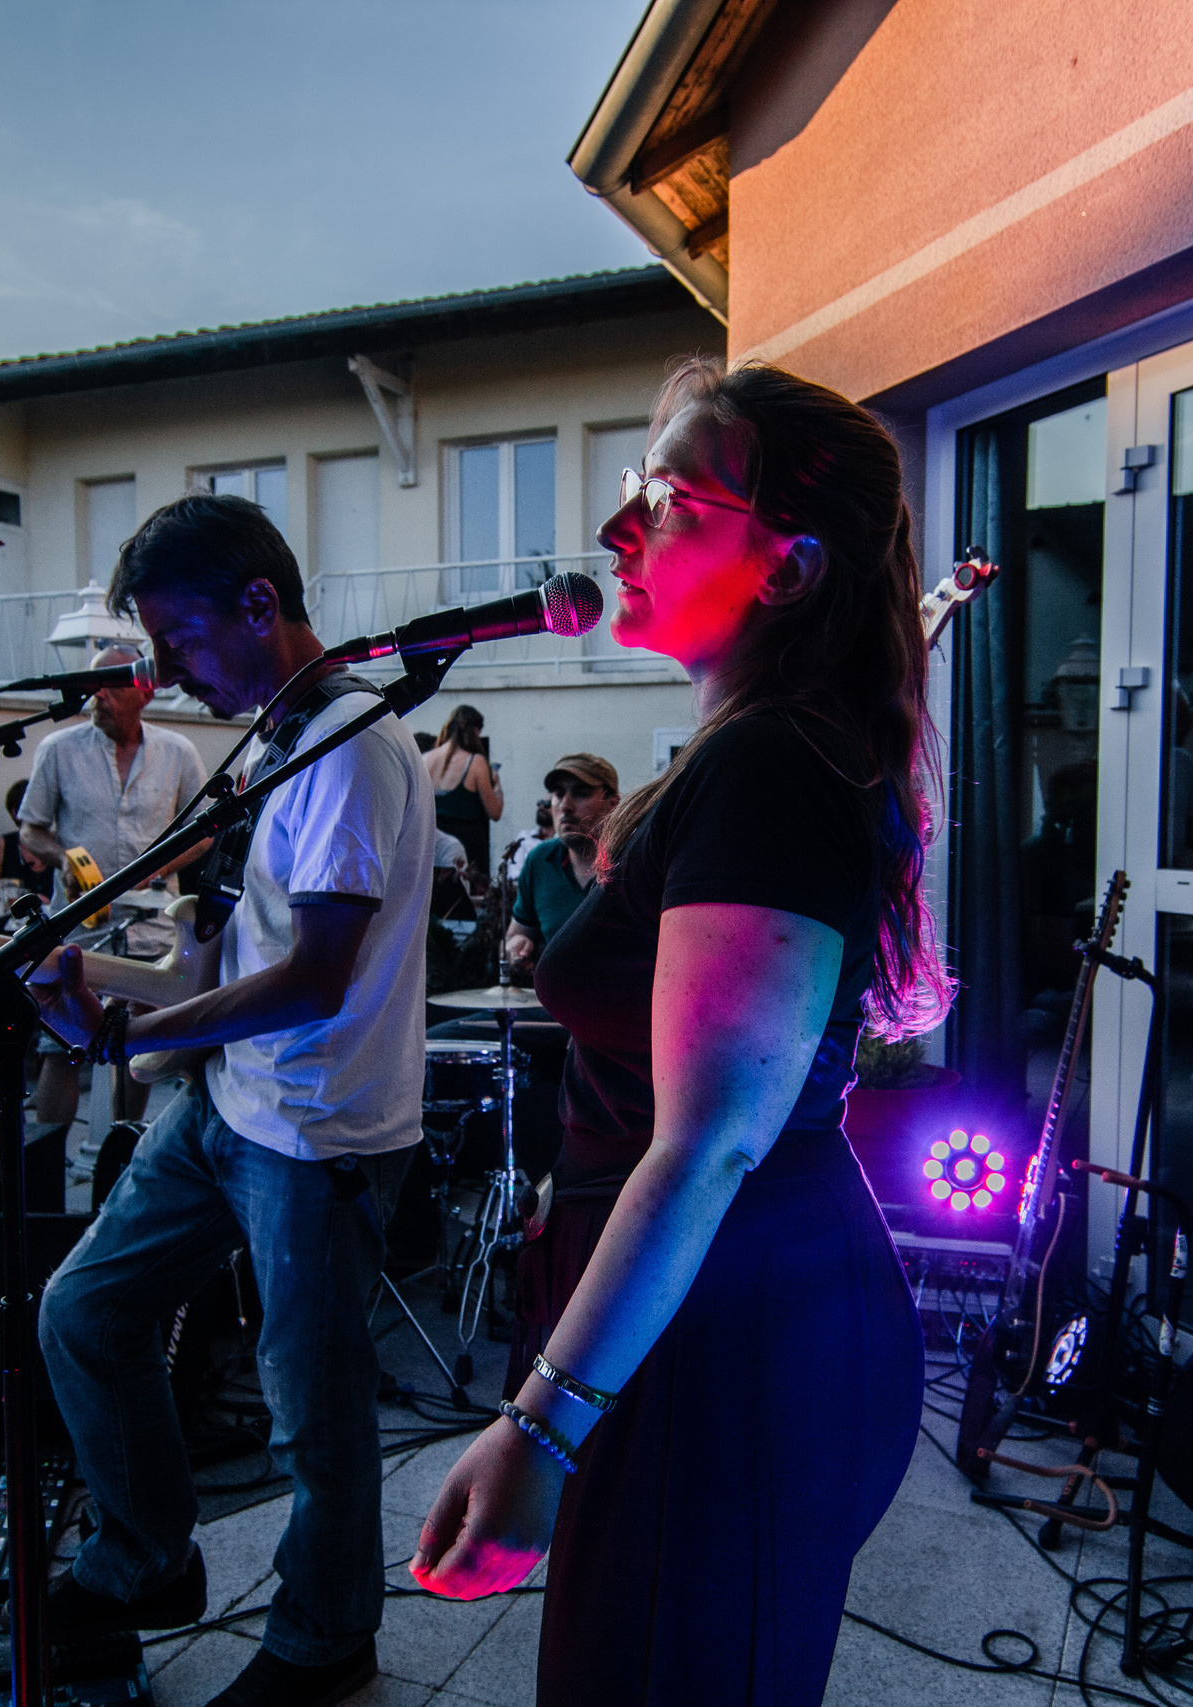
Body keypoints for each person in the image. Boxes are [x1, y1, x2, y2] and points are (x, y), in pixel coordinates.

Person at [409, 360, 946, 1705]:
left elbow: (707, 1142)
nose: (616, 533)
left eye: (670, 499)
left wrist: (541, 1422)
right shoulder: (746, 749)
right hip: (709, 1312)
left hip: (734, 1339)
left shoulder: (773, 762)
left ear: (787, 569)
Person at [31, 493, 431, 1707]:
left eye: (180, 641)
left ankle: (324, 1642)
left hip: (317, 1132)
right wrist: (116, 997)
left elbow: (314, 977)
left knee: (313, 1416)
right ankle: (146, 1557)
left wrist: (131, 1035)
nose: (164, 674)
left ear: (259, 605)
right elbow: (247, 933)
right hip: (225, 1102)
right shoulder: (277, 730)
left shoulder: (350, 745)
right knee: (84, 1314)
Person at [18, 643, 208, 1134]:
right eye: (92, 684)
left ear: (144, 690)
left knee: (139, 1040)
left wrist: (159, 865)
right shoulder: (58, 749)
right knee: (60, 1045)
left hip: (152, 922)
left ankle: (121, 1150)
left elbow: (206, 831)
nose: (97, 694)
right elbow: (31, 828)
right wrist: (62, 858)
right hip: (78, 921)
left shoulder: (178, 752)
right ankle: (47, 1177)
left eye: (112, 683)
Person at [500, 753, 618, 978]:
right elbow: (515, 936)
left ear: (612, 804)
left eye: (581, 793)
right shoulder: (540, 861)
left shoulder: (634, 860)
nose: (565, 805)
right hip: (549, 1007)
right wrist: (516, 948)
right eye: (558, 794)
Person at [423, 704, 503, 875]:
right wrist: (496, 785)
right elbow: (494, 812)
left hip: (432, 843)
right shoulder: (476, 762)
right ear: (475, 731)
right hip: (468, 846)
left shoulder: (426, 759)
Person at [0, 777, 56, 915]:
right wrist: (12, 901)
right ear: (15, 814)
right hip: (17, 926)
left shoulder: (61, 842)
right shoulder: (2, 846)